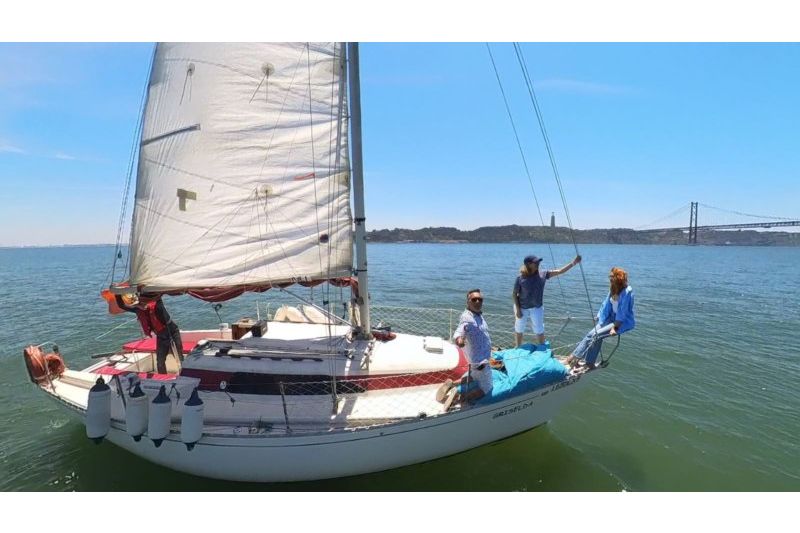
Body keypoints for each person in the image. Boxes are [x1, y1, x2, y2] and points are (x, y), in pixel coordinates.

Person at [564, 266, 635, 369]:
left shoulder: (627, 292)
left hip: (620, 322)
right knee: (591, 334)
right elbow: (606, 304)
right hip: (610, 318)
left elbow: (623, 312)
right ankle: (589, 362)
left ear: (618, 278)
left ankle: (572, 359)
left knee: (596, 335)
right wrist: (599, 315)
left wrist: (615, 328)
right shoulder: (613, 288)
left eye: (611, 277)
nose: (609, 278)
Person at [436, 289, 495, 411]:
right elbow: (459, 332)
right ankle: (459, 398)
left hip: (476, 361)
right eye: (474, 299)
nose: (477, 301)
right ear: (468, 302)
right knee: (486, 388)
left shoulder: (477, 315)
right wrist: (459, 340)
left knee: (473, 376)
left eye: (480, 299)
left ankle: (452, 384)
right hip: (481, 362)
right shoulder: (467, 319)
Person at [513, 254, 581, 347]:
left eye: (538, 262)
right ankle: (518, 347)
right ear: (528, 264)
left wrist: (573, 263)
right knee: (519, 328)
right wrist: (518, 310)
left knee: (539, 329)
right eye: (535, 262)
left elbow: (560, 271)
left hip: (537, 307)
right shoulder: (520, 278)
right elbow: (514, 294)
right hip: (522, 307)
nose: (538, 264)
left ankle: (542, 348)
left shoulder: (543, 274)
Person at [116, 293, 184, 374]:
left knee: (179, 357)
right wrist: (117, 293)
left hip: (173, 332)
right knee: (160, 362)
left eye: (142, 302)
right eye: (138, 303)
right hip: (161, 337)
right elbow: (121, 305)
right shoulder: (137, 309)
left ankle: (185, 374)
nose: (142, 305)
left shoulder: (157, 303)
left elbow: (157, 294)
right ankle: (162, 378)